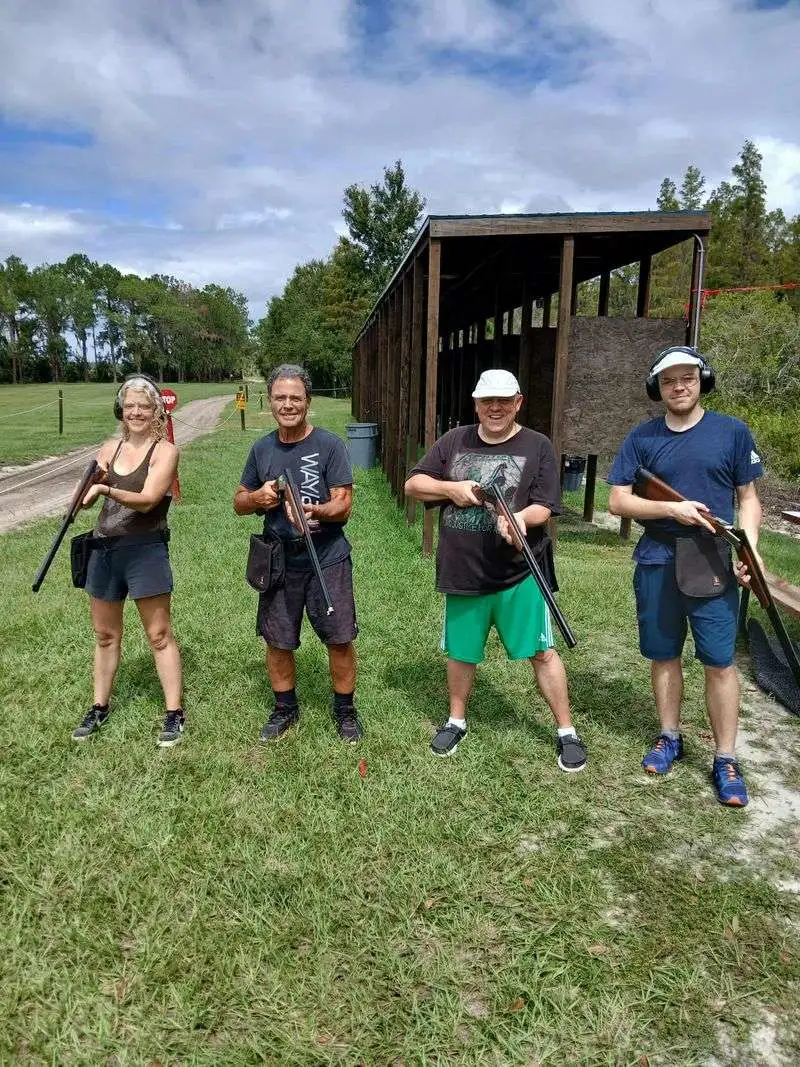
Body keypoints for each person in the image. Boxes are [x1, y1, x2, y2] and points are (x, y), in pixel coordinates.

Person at [404, 369, 587, 771]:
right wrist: (451, 489)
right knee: (461, 652)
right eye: (488, 401)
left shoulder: (538, 445)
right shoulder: (454, 441)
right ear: (476, 404)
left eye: (504, 400)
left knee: (542, 652)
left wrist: (520, 518)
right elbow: (413, 485)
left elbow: (545, 505)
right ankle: (456, 721)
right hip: (463, 571)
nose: (496, 408)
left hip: (519, 572)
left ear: (518, 402)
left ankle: (566, 731)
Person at [607, 345, 764, 807]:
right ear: (657, 388)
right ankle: (669, 736)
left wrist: (750, 548)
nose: (679, 387)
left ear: (702, 381)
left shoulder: (732, 432)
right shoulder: (642, 437)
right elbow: (618, 500)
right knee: (663, 654)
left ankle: (725, 758)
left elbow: (748, 498)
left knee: (719, 661)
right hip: (657, 556)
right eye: (669, 381)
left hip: (712, 558)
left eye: (688, 378)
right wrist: (671, 509)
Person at [233, 363, 362, 744]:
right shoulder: (262, 449)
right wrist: (258, 498)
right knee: (278, 639)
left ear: (308, 401)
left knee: (339, 637)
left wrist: (314, 510)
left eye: (295, 398)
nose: (287, 405)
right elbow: (239, 501)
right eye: (280, 398)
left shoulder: (329, 445)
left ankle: (345, 711)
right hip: (279, 560)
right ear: (270, 401)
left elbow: (344, 505)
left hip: (327, 557)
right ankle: (284, 708)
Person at [72, 374, 185, 746]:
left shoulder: (165, 451)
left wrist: (104, 488)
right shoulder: (109, 448)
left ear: (156, 411)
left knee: (159, 635)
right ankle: (99, 707)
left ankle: (174, 713)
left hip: (145, 549)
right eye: (130, 405)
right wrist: (85, 489)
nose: (136, 412)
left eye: (144, 405)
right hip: (104, 549)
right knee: (105, 635)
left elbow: (149, 499)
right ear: (121, 409)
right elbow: (84, 494)